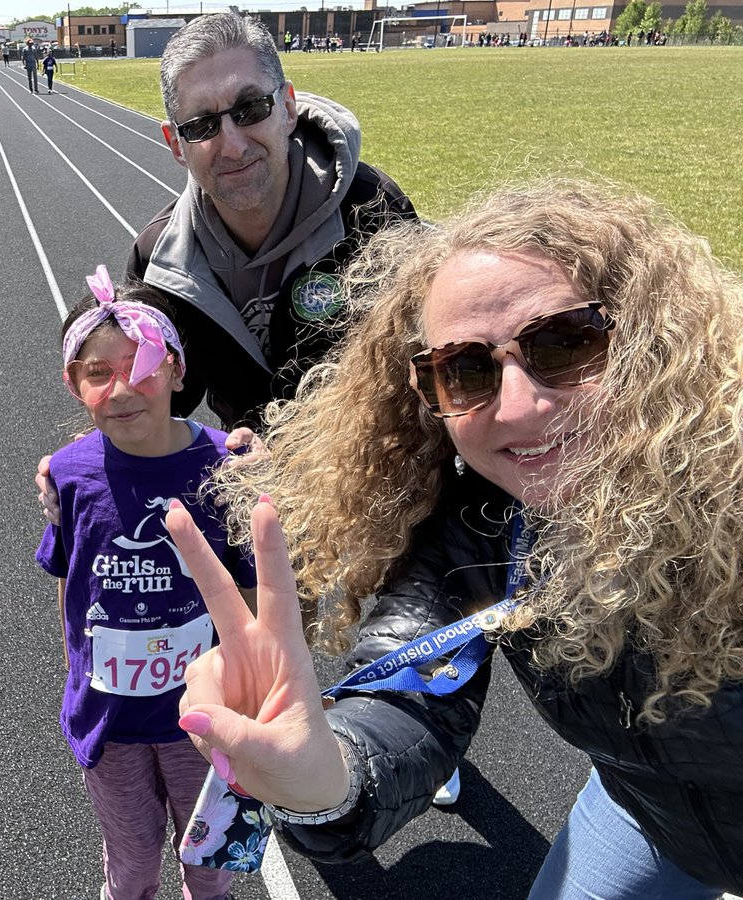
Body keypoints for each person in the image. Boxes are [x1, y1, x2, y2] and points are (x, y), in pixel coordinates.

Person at [164, 179, 743, 898]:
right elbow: (408, 698)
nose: (520, 404)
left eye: (565, 343)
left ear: (652, 339)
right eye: (464, 370)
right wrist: (322, 775)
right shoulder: (483, 521)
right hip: (647, 811)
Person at [36, 267, 256, 900]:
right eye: (98, 372)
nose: (122, 388)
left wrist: (250, 685)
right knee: (130, 865)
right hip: (112, 725)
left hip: (203, 721)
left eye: (143, 365)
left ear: (179, 372)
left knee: (208, 865)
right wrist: (73, 664)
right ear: (73, 385)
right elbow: (69, 577)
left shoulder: (224, 468)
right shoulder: (71, 476)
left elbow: (247, 588)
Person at [127, 12, 415, 430]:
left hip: (371, 473)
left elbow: (433, 380)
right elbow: (156, 410)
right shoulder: (157, 262)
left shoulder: (375, 214)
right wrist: (87, 465)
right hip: (243, 480)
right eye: (202, 125)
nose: (232, 145)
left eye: (250, 108)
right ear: (176, 144)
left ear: (288, 107)